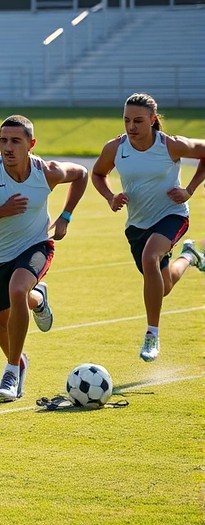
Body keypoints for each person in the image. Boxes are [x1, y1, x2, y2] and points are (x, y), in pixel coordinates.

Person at [0, 115, 89, 401]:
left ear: (31, 144)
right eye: (3, 140)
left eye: (16, 141)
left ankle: (11, 370)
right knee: (2, 321)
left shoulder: (47, 172)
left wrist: (65, 216)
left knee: (17, 290)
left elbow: (81, 175)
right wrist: (1, 211)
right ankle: (37, 302)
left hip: (36, 246)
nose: (8, 147)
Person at [91, 93, 205, 362]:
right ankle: (190, 256)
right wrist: (110, 197)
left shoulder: (170, 145)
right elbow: (97, 173)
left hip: (172, 215)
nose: (131, 126)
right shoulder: (115, 148)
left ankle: (152, 334)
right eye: (126, 120)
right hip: (137, 225)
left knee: (150, 256)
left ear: (153, 120)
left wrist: (189, 189)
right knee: (163, 287)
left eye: (138, 121)